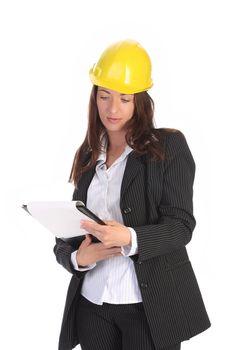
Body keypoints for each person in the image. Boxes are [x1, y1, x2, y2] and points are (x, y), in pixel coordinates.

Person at [54, 39, 211, 350]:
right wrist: (77, 258)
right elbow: (71, 233)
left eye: (125, 99)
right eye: (105, 96)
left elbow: (181, 227)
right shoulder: (87, 155)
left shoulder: (168, 148)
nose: (113, 109)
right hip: (92, 304)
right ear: (94, 98)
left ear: (140, 100)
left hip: (147, 307)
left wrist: (128, 238)